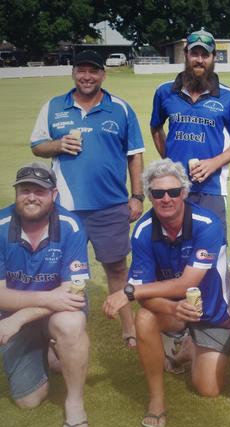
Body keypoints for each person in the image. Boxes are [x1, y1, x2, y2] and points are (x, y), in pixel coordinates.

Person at [102, 159, 230, 427]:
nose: (166, 199)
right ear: (149, 196)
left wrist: (128, 291)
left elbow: (186, 283)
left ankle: (190, 345)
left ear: (184, 193)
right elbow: (145, 296)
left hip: (212, 311)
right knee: (144, 319)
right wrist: (172, 309)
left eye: (173, 192)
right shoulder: (142, 231)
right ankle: (157, 400)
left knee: (208, 389)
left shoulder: (207, 223)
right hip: (172, 310)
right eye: (158, 193)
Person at [30, 49, 144, 349]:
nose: (87, 76)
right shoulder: (53, 107)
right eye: (81, 70)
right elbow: (37, 146)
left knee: (117, 267)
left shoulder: (120, 108)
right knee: (61, 270)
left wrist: (137, 196)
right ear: (73, 73)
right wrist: (57, 144)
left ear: (102, 74)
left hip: (111, 206)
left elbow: (135, 156)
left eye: (93, 71)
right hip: (65, 209)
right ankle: (62, 329)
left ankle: (128, 326)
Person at [0, 162, 90, 427]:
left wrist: (20, 316)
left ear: (54, 195)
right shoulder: (1, 225)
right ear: (16, 194)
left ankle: (75, 401)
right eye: (25, 190)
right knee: (29, 401)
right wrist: (47, 297)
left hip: (49, 313)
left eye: (39, 191)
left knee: (71, 323)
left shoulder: (71, 225)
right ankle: (47, 351)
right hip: (24, 312)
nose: (31, 197)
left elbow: (73, 295)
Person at [150, 28, 230, 232]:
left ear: (214, 57)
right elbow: (156, 127)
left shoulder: (228, 97)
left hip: (211, 188)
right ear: (186, 55)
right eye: (194, 54)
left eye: (205, 55)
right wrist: (169, 159)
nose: (199, 60)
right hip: (173, 187)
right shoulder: (165, 92)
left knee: (213, 249)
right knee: (173, 248)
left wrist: (213, 164)